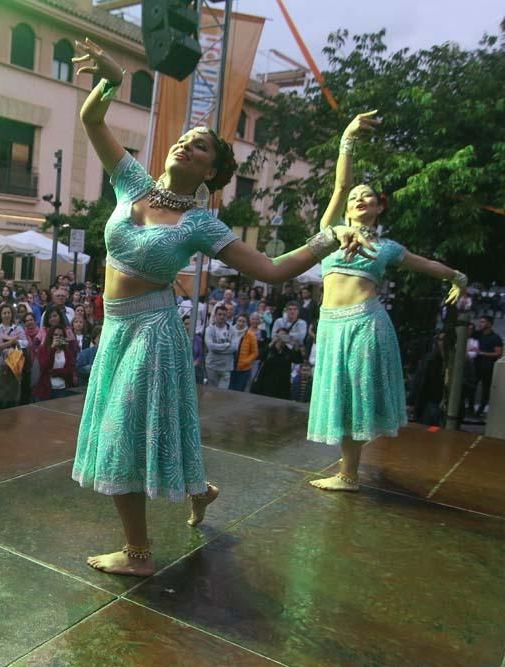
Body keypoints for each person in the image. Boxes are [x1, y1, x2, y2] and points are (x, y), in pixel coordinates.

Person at [69, 38, 373, 576]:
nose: (187, 145)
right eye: (184, 139)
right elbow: (92, 119)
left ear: (212, 173)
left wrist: (329, 239)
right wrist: (113, 81)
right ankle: (200, 489)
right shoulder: (131, 181)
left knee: (123, 432)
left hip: (153, 331)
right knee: (140, 428)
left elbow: (276, 270)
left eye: (201, 147)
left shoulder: (203, 225)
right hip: (114, 330)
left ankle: (138, 553)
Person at [307, 111, 469, 492]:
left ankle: (348, 474)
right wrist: (348, 137)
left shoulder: (387, 247)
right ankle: (348, 472)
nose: (360, 198)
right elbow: (340, 181)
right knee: (341, 396)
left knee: (356, 397)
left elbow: (425, 263)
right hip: (331, 324)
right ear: (346, 208)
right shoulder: (330, 230)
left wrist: (457, 276)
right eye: (355, 198)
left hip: (366, 322)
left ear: (379, 208)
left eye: (369, 197)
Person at [34, 324, 76, 401]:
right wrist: (52, 348)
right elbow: (44, 366)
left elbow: (70, 369)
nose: (58, 337)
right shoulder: (43, 349)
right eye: (55, 335)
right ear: (50, 336)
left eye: (60, 335)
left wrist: (55, 372)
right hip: (46, 388)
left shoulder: (67, 352)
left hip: (62, 388)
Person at [472, 315, 503, 417]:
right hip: (476, 366)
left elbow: (498, 353)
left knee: (485, 390)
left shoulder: (495, 338)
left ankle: (480, 411)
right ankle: (471, 408)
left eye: (483, 322)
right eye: (480, 322)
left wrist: (481, 353)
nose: (480, 324)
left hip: (488, 367)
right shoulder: (478, 335)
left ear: (489, 324)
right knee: (471, 387)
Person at [204, 305, 232, 388]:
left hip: (226, 366)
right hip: (212, 365)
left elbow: (234, 347)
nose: (222, 317)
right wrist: (226, 345)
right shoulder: (209, 329)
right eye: (219, 314)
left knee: (223, 393)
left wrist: (217, 348)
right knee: (212, 392)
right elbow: (210, 346)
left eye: (224, 315)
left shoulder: (231, 329)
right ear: (215, 315)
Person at [229, 313, 258, 392]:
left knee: (239, 390)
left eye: (243, 321)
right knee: (229, 389)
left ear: (247, 323)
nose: (241, 323)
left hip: (244, 368)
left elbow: (255, 353)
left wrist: (245, 361)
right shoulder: (230, 332)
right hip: (230, 365)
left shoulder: (251, 335)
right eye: (239, 321)